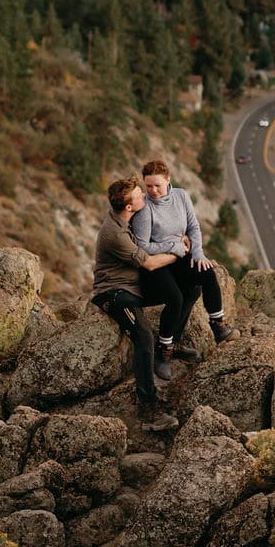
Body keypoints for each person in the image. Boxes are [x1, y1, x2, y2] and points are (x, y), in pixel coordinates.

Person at [131, 157, 238, 378]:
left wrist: (197, 252)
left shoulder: (181, 195)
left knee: (206, 273)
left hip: (179, 256)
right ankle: (164, 352)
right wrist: (174, 245)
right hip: (157, 263)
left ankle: (218, 325)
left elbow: (193, 226)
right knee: (176, 298)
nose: (152, 190)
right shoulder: (145, 209)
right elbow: (143, 246)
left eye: (157, 185)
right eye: (148, 185)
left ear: (168, 180)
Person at [91, 175, 179, 431]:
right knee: (143, 336)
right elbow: (149, 263)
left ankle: (172, 345)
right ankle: (148, 411)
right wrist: (176, 252)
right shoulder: (114, 234)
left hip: (133, 288)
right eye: (140, 195)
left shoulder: (127, 218)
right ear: (129, 206)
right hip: (114, 293)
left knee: (179, 294)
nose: (145, 196)